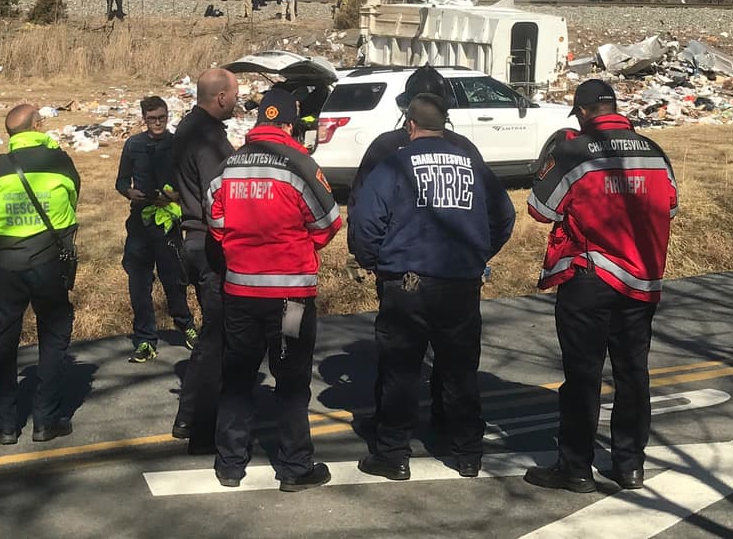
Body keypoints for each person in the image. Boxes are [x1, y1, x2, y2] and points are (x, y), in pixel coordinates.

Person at [348, 95, 515, 481]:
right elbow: (504, 216)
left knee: (401, 371)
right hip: (461, 284)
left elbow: (366, 224)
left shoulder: (395, 164)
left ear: (410, 124)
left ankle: (393, 454)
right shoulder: (472, 164)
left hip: (408, 284)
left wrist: (376, 263)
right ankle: (468, 453)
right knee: (460, 371)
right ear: (445, 125)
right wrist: (477, 254)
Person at [523, 79, 678, 494]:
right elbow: (671, 205)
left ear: (583, 112)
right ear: (614, 108)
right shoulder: (654, 151)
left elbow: (540, 209)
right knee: (633, 374)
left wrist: (553, 161)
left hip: (590, 277)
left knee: (583, 376)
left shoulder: (574, 151)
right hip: (641, 280)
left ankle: (575, 468)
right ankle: (630, 466)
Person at [207, 89, 342, 491]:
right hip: (290, 298)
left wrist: (242, 248)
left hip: (241, 293)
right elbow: (328, 223)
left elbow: (215, 221)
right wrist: (296, 246)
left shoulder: (228, 166)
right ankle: (295, 466)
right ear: (287, 125)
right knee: (291, 379)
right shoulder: (299, 163)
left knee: (237, 377)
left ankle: (229, 464)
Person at [347, 64, 485, 432]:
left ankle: (391, 440)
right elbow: (497, 213)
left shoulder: (385, 148)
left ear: (408, 110)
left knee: (398, 361)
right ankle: (456, 434)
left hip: (401, 275)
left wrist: (374, 259)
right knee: (456, 362)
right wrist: (476, 255)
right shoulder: (465, 149)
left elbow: (361, 210)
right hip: (458, 276)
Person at [0, 104, 81, 444]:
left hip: (7, 265)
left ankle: (5, 424)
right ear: (37, 125)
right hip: (48, 262)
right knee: (53, 336)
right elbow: (73, 198)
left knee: (3, 339)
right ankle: (46, 420)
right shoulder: (59, 161)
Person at [170, 68, 239, 453]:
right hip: (210, 242)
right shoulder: (208, 139)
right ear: (221, 97)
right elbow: (221, 197)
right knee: (216, 335)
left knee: (216, 333)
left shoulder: (188, 129)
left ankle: (196, 414)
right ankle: (197, 419)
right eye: (235, 95)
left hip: (194, 239)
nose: (238, 101)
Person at [115, 96, 198, 363]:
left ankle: (186, 325)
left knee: (174, 279)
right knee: (139, 283)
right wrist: (130, 193)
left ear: (168, 116)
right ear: (144, 119)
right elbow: (120, 181)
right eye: (152, 119)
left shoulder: (177, 144)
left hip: (168, 222)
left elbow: (190, 182)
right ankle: (145, 339)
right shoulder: (133, 144)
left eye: (162, 118)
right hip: (140, 222)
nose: (158, 123)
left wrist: (174, 198)